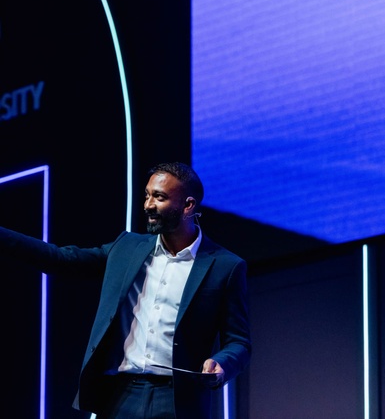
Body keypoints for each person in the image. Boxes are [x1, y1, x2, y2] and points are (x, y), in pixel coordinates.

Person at [0, 162, 251, 419]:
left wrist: (222, 363)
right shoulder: (127, 248)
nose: (148, 205)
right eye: (147, 195)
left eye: (159, 197)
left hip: (177, 400)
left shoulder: (225, 266)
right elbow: (61, 259)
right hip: (120, 395)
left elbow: (239, 341)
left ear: (188, 205)